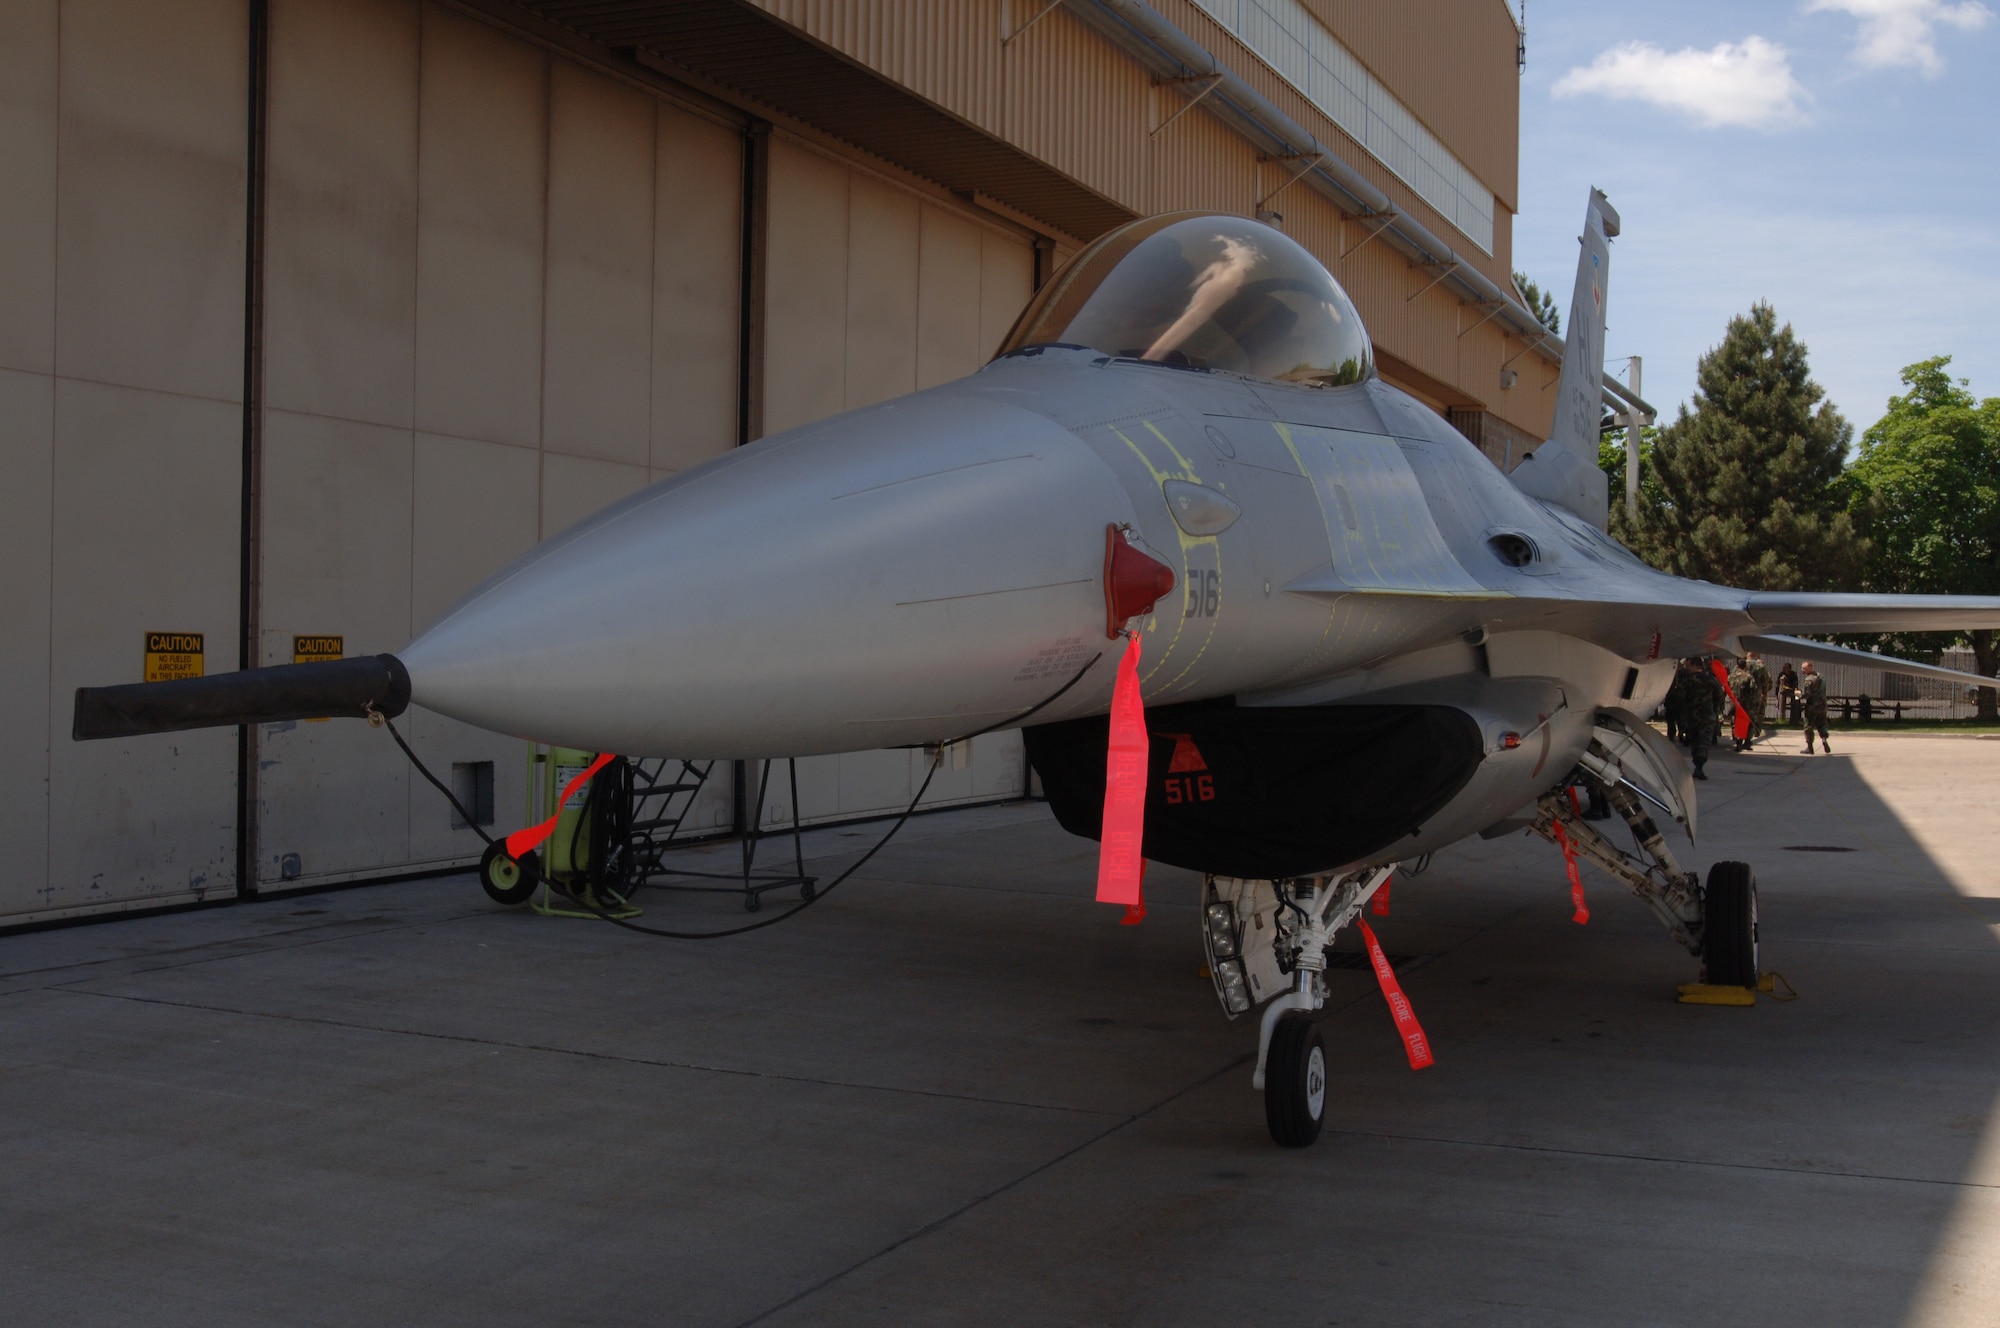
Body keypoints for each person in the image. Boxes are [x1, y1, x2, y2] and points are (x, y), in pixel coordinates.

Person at [1682, 656, 1726, 779]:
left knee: (1695, 742)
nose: (1687, 668)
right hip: (1707, 715)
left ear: (1695, 665)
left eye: (1688, 665)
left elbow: (1681, 698)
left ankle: (1698, 765)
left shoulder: (1687, 681)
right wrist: (1715, 710)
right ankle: (1699, 766)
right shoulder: (1712, 680)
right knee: (1704, 742)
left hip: (1692, 716)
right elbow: (1719, 697)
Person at [1800, 661, 1830, 753]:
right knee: (1822, 724)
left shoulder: (1809, 680)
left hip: (1812, 706)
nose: (1802, 670)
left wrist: (1798, 695)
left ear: (1810, 667)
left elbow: (1807, 694)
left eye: (1804, 668)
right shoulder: (1821, 677)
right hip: (1822, 705)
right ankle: (1824, 738)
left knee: (1808, 725)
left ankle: (1810, 747)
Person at [1746, 652, 1773, 739]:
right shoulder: (1761, 669)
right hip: (1757, 694)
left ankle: (1751, 731)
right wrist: (1763, 691)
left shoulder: (1741, 665)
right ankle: (1753, 731)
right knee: (1756, 714)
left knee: (1753, 714)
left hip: (1744, 695)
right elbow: (1766, 683)